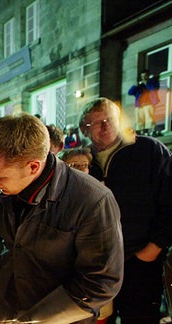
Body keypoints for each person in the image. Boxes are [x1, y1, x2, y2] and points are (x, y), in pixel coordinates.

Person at [0, 113, 123, 323]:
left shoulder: (91, 201)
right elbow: (6, 240)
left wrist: (35, 319)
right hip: (10, 307)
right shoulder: (5, 191)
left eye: (0, 175)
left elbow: (100, 283)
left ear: (33, 166)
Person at [79, 97, 172, 323]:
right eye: (96, 123)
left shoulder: (149, 151)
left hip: (140, 260)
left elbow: (170, 201)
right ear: (84, 129)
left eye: (109, 119)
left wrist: (154, 247)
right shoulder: (81, 162)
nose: (105, 126)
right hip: (96, 267)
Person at [128, 69, 160, 136]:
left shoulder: (153, 82)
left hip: (149, 104)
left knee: (149, 119)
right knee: (139, 120)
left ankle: (151, 133)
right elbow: (130, 92)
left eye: (145, 76)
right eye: (142, 76)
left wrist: (146, 83)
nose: (143, 78)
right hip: (139, 105)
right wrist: (135, 85)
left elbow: (153, 89)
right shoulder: (140, 86)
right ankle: (141, 134)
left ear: (148, 76)